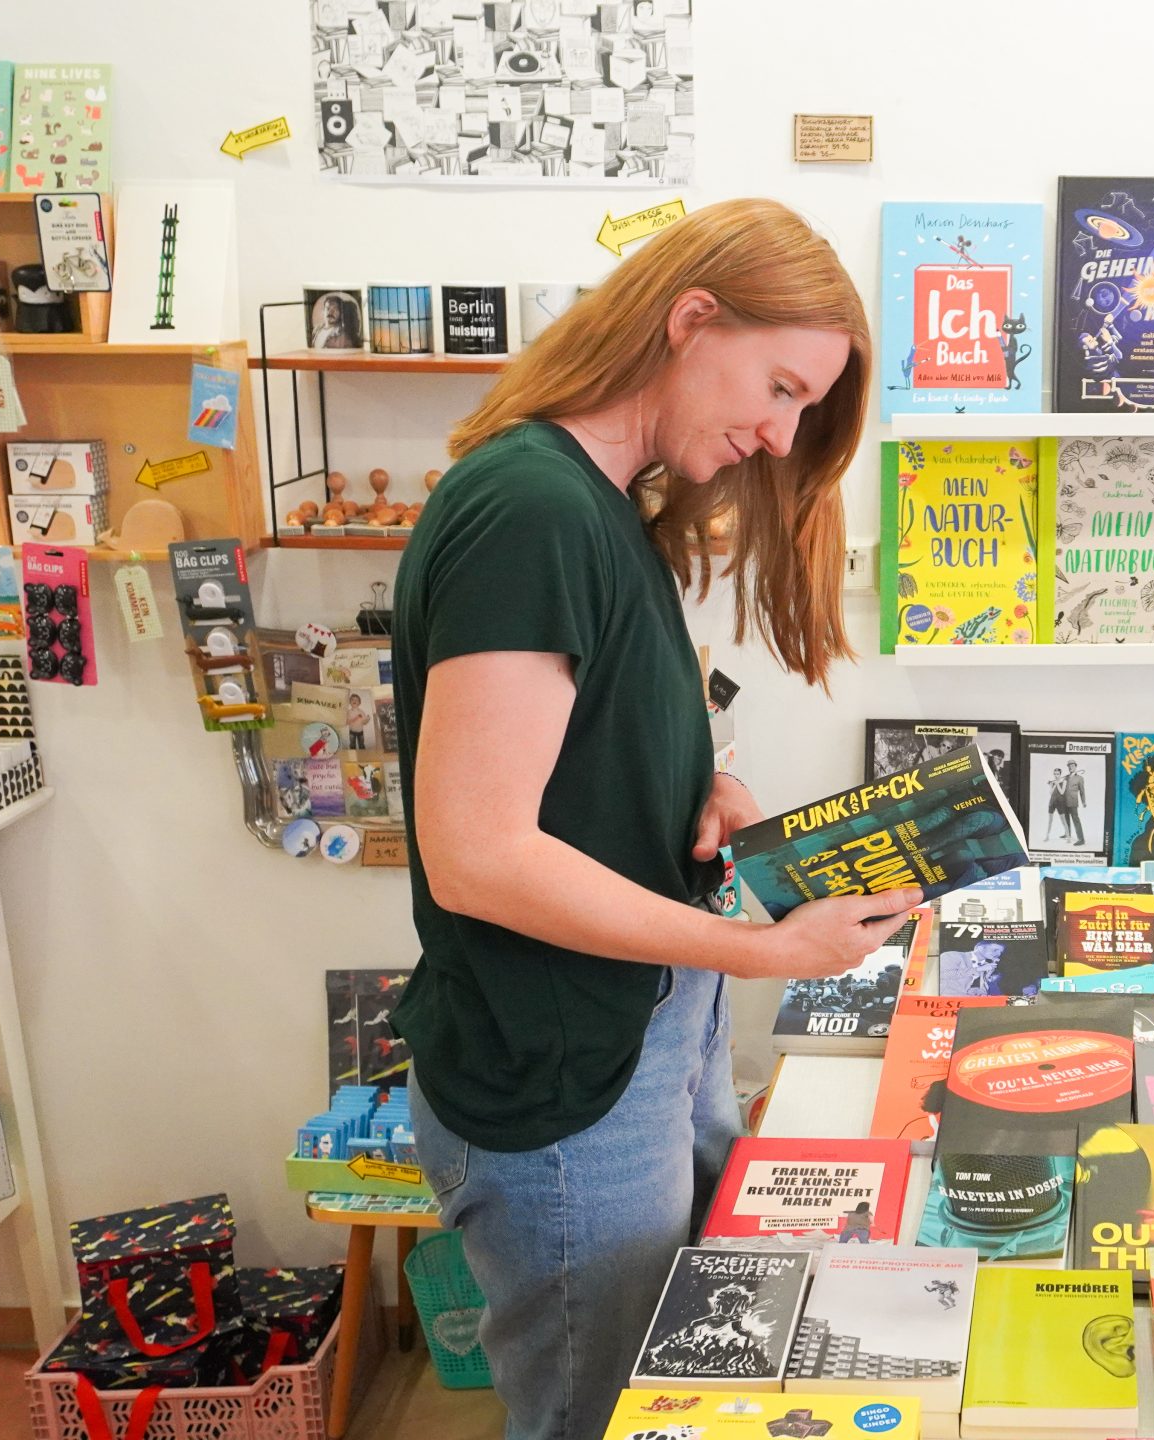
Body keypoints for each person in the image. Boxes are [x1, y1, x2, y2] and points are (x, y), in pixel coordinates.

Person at [390, 198, 924, 1440]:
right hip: (565, 1080)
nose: (778, 431)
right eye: (778, 386)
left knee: (680, 1391)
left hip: (644, 1036)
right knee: (610, 1414)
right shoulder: (532, 509)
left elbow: (576, 753)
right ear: (691, 319)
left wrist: (701, 784)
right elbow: (477, 856)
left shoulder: (599, 501)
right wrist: (768, 951)